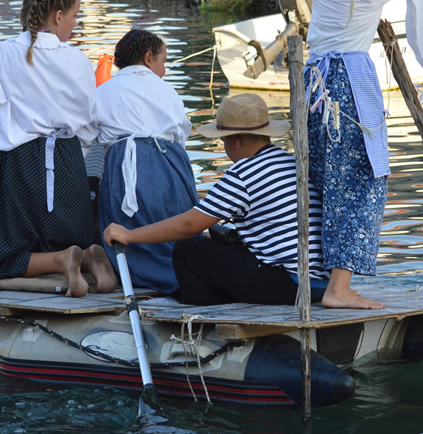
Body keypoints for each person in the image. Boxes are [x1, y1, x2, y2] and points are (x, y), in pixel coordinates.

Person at [303, 0, 423, 310]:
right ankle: (338, 288)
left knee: (325, 178)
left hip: (314, 81)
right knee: (361, 181)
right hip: (348, 84)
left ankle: (326, 278)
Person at [0, 0, 117, 298]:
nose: (76, 24)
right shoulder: (78, 60)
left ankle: (65, 260)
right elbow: (88, 122)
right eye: (75, 16)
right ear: (58, 16)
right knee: (62, 234)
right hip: (67, 164)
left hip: (21, 163)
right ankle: (87, 259)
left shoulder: (2, 54)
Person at [104, 94, 330, 305]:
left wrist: (130, 235)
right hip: (318, 282)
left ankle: (202, 311)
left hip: (291, 285)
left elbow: (187, 225)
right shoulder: (289, 162)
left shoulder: (245, 172)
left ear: (236, 141)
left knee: (188, 249)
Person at [91, 29, 196, 293]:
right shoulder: (168, 91)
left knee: (126, 222)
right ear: (148, 58)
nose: (164, 69)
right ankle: (185, 272)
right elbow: (182, 131)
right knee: (173, 219)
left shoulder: (105, 91)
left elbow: (88, 134)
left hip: (125, 165)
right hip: (171, 164)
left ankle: (139, 275)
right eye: (163, 61)